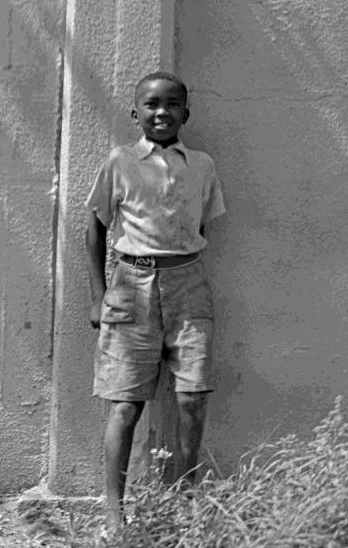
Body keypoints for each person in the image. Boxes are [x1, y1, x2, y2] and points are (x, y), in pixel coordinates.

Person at [85, 71, 226, 534]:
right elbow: (95, 228)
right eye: (151, 104)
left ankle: (186, 504)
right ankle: (113, 513)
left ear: (187, 112)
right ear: (135, 113)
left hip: (188, 284)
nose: (161, 112)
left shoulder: (201, 164)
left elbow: (201, 226)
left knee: (193, 398)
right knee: (125, 403)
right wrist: (98, 297)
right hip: (131, 286)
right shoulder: (120, 162)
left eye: (172, 104)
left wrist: (178, 262)